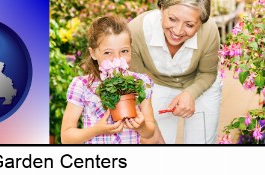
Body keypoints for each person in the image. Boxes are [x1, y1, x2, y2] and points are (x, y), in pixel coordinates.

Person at [129, 0, 222, 144]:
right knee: (157, 140)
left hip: (201, 83)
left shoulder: (209, 31)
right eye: (172, 19)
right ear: (162, 9)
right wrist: (149, 122)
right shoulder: (136, 31)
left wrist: (190, 93)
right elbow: (137, 81)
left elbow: (207, 73)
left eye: (189, 25)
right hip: (154, 85)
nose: (178, 31)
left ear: (200, 23)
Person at [61, 15, 163, 144]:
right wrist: (97, 130)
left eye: (124, 51)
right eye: (108, 52)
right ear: (93, 53)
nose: (117, 59)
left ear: (131, 49)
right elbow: (66, 138)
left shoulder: (141, 82)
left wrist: (141, 126)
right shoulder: (82, 85)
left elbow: (150, 131)